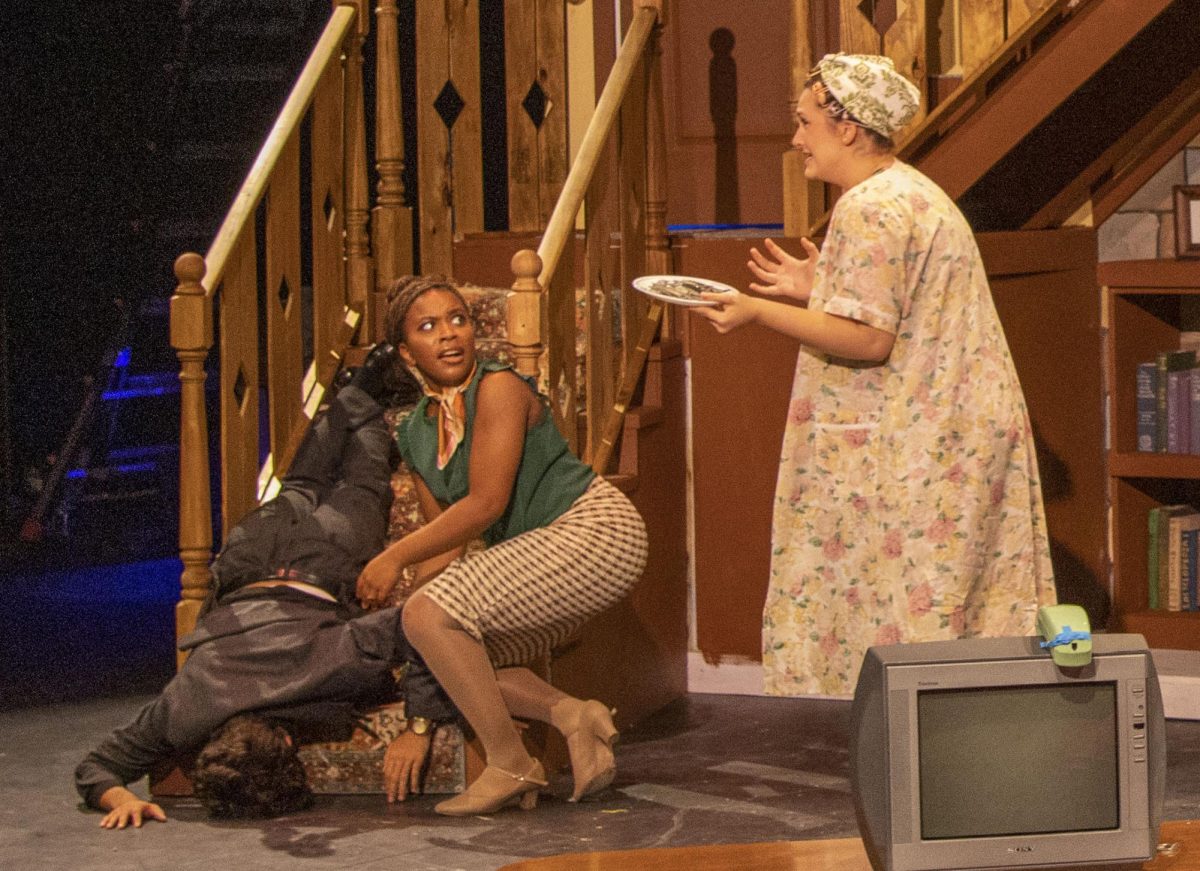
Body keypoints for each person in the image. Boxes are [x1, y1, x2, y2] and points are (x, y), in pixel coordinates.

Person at [692, 53, 1056, 697]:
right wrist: (822, 284)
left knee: (907, 597)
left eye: (805, 123)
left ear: (849, 128)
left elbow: (869, 337)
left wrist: (757, 311)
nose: (797, 138)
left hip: (922, 443)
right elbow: (896, 301)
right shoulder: (909, 191)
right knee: (938, 597)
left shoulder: (870, 207)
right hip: (951, 430)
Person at [74, 357, 460, 828]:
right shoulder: (187, 708)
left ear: (285, 743)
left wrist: (419, 726)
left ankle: (363, 393)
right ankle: (351, 394)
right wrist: (119, 797)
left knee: (361, 484)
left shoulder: (328, 668)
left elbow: (421, 621)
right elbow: (96, 768)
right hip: (248, 557)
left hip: (320, 559)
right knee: (302, 484)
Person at [357, 276, 649, 816]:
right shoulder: (414, 433)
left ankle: (510, 762)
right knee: (450, 649)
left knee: (429, 618)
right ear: (404, 352)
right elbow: (446, 541)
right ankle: (571, 715)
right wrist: (416, 624)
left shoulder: (499, 387)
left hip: (594, 530)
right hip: (544, 554)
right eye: (428, 327)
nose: (449, 335)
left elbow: (487, 503)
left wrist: (395, 557)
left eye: (458, 320)